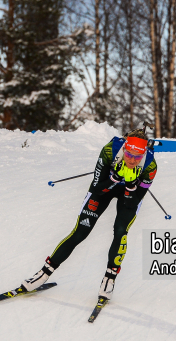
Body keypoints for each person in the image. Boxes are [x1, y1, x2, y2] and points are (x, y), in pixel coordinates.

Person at [18, 128, 157, 300]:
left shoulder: (150, 165)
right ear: (125, 147)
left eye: (137, 157)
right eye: (129, 154)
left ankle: (109, 279)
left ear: (143, 154)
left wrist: (130, 185)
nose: (132, 160)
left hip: (129, 193)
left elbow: (133, 202)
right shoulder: (110, 151)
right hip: (105, 187)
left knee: (121, 230)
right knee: (80, 231)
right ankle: (43, 273)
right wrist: (114, 178)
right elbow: (97, 189)